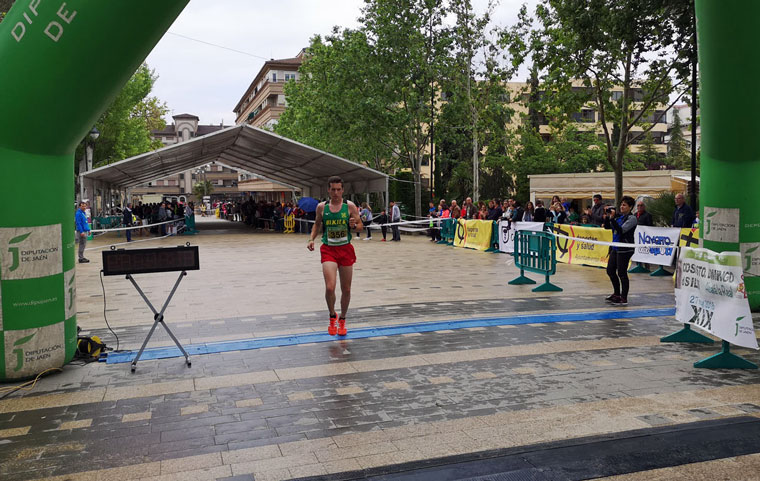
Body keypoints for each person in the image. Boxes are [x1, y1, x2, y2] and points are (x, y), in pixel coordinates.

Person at [307, 176, 363, 336]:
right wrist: (312, 239)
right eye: (333, 189)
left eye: (339, 189)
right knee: (330, 287)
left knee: (346, 289)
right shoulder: (322, 207)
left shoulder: (350, 206)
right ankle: (332, 315)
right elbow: (317, 224)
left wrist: (354, 225)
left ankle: (343, 319)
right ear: (328, 190)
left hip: (345, 249)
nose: (336, 193)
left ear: (343, 190)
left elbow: (360, 226)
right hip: (329, 249)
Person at [603, 196, 637, 306]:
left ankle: (624, 297)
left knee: (622, 273)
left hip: (625, 248)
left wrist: (613, 218)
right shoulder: (620, 217)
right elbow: (607, 227)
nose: (622, 207)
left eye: (624, 205)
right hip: (615, 247)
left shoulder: (631, 218)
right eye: (621, 204)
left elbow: (621, 230)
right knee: (610, 270)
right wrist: (608, 217)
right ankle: (616, 294)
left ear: (630, 207)